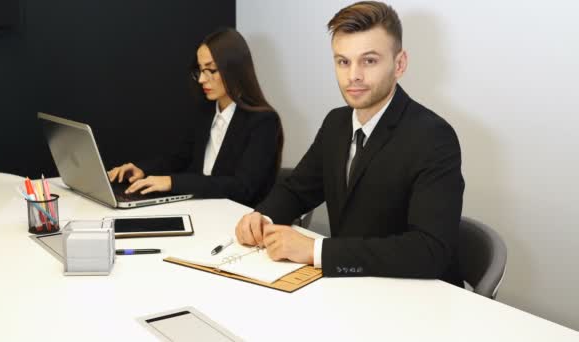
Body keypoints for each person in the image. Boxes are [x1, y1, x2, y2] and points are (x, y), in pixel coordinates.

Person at [235, 1, 465, 286]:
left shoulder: (433, 137)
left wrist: (315, 250)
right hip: (350, 291)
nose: (353, 75)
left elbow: (429, 251)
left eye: (369, 60)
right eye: (343, 61)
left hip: (416, 299)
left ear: (400, 63)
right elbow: (298, 190)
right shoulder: (336, 123)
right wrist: (262, 217)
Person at [108, 28, 283, 208]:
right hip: (198, 208)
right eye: (200, 70)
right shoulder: (205, 112)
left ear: (235, 69)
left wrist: (172, 182)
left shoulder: (263, 121)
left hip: (236, 217)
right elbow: (179, 159)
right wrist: (142, 170)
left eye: (211, 70)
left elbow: (243, 188)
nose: (201, 79)